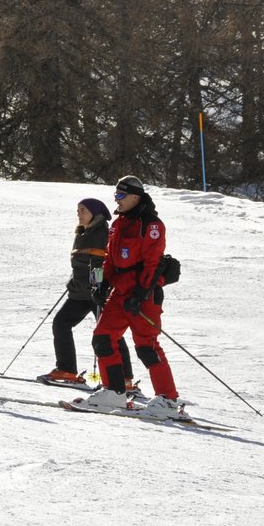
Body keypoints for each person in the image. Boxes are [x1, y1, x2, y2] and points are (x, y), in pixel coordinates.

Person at [68, 175, 183, 417]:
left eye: (121, 196)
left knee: (146, 346)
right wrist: (101, 285)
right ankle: (114, 392)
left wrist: (140, 293)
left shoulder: (151, 225)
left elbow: (153, 263)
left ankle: (168, 399)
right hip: (120, 292)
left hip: (143, 294)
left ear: (134, 197)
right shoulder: (119, 224)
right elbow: (109, 260)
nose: (117, 201)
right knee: (102, 337)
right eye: (115, 196)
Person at [43, 197, 135, 391]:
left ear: (95, 213)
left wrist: (97, 286)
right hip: (80, 292)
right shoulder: (82, 232)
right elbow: (81, 263)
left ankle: (125, 379)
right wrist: (73, 281)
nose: (79, 213)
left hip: (97, 293)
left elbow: (102, 263)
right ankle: (66, 370)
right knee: (61, 323)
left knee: (111, 334)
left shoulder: (102, 232)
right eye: (78, 210)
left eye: (83, 210)